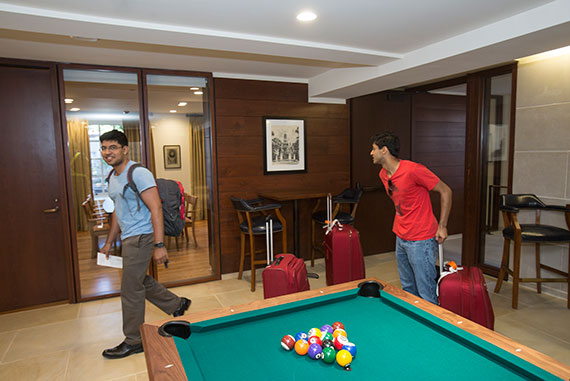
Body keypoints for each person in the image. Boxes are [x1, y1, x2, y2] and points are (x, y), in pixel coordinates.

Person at [99, 130, 190, 359]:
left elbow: (155, 208)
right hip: (129, 236)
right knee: (137, 278)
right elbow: (117, 214)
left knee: (130, 289)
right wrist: (109, 242)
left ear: (124, 149)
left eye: (112, 147)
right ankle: (176, 304)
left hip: (143, 235)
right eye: (103, 148)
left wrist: (159, 245)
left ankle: (134, 340)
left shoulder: (138, 173)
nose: (107, 152)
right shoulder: (113, 177)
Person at [370, 132, 452, 305]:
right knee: (407, 288)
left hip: (421, 239)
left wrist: (442, 225)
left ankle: (433, 329)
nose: (371, 153)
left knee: (426, 291)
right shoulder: (383, 175)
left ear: (384, 150)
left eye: (374, 149)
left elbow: (446, 191)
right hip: (401, 236)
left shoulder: (414, 170)